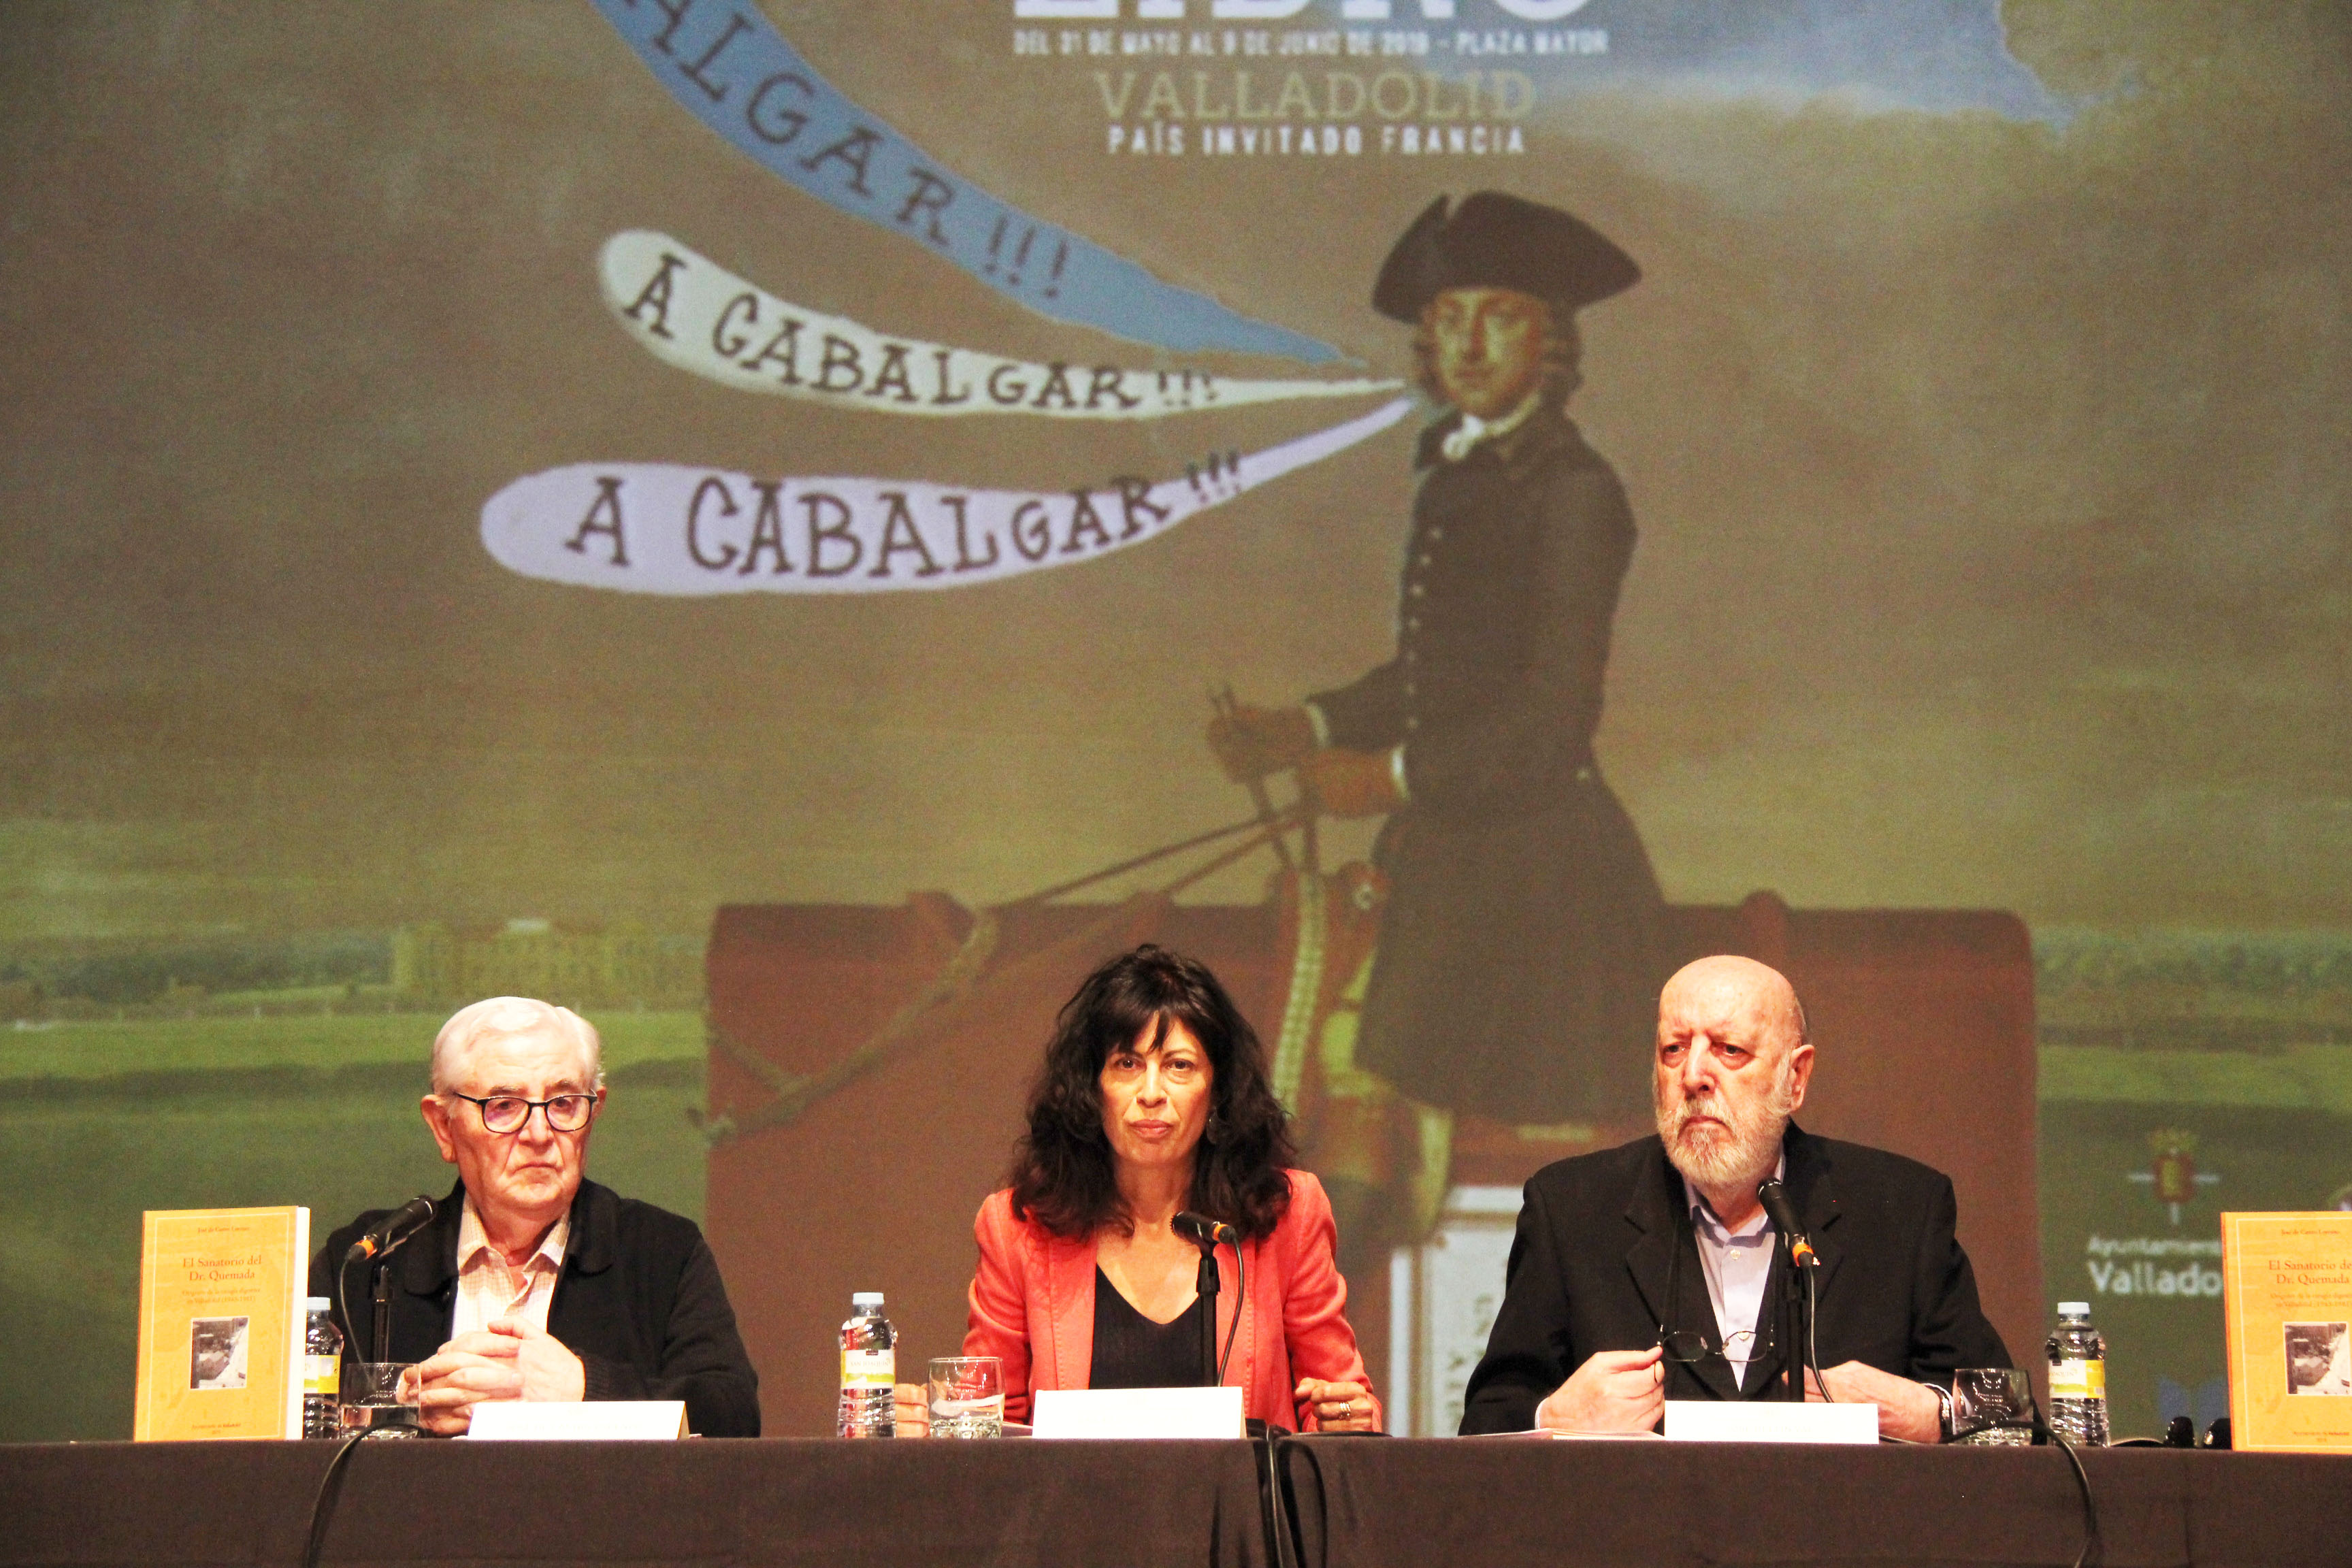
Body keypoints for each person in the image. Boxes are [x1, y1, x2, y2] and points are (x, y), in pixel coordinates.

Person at [1210, 191, 1665, 1132]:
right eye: (1449, 320)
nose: (1470, 346)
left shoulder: (1575, 491)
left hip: (1541, 878)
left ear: (1552, 342)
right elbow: (1439, 678)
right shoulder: (1458, 471)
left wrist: (1386, 779)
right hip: (1445, 858)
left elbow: (1551, 719)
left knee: (1394, 1123)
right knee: (1351, 1107)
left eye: (1500, 318)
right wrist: (1307, 727)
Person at [1459, 955, 2011, 1440]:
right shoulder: (1572, 1209)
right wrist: (1554, 1416)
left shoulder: (1901, 1209)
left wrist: (1928, 1413)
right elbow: (1486, 1420)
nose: (1694, 1075)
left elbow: (2010, 1416)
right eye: (1674, 1049)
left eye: (1729, 1050)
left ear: (1796, 1077)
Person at [896, 945, 1379, 1433]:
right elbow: (988, 1425)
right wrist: (934, 1423)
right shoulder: (1019, 1228)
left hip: (1241, 1488)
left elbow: (1341, 1403)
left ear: (1217, 1091)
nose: (1151, 1093)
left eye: (1179, 1066)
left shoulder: (1285, 1214)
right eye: (1127, 1064)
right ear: (1092, 1087)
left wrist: (1345, 1417)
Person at [310, 996, 760, 1436]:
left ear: (593, 1113)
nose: (540, 1133)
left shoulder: (662, 1253)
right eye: (504, 1106)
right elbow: (296, 1420)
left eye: (563, 1103)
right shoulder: (366, 1260)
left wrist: (583, 1389)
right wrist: (408, 1411)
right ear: (444, 1127)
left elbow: (734, 1416)